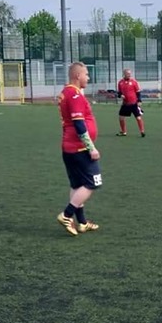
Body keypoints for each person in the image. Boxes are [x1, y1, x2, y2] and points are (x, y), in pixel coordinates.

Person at [57, 62, 102, 237]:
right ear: (78, 76)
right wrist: (91, 148)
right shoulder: (74, 95)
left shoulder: (66, 92)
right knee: (92, 183)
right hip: (79, 148)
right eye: (86, 74)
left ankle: (82, 223)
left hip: (69, 147)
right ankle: (66, 215)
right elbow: (79, 125)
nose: (88, 78)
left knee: (77, 185)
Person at [116, 68, 145, 137]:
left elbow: (138, 92)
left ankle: (142, 131)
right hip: (125, 104)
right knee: (121, 117)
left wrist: (139, 100)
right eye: (127, 73)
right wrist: (121, 95)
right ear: (124, 74)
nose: (129, 75)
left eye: (130, 73)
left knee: (138, 117)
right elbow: (119, 93)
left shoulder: (134, 82)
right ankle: (124, 132)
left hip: (134, 103)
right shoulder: (120, 82)